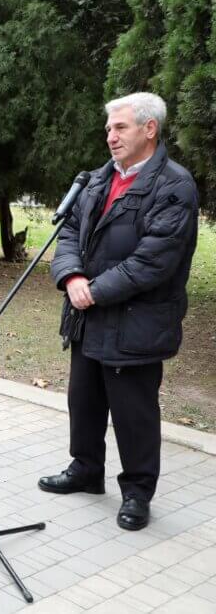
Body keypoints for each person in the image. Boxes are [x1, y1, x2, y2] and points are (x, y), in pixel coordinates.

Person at [41, 92, 199, 531]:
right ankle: (86, 470)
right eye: (108, 128)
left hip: (137, 323)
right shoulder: (96, 179)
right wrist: (72, 277)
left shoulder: (175, 186)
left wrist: (92, 291)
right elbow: (69, 233)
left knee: (133, 413)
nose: (110, 136)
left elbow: (153, 261)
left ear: (150, 129)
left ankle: (137, 492)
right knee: (84, 400)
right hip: (88, 315)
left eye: (120, 127)